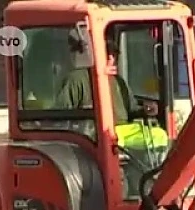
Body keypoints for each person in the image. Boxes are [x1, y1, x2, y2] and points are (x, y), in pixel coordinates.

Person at [55, 31, 169, 198]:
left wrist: (145, 110)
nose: (112, 60)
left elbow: (131, 109)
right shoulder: (77, 80)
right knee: (123, 140)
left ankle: (146, 187)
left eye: (114, 56)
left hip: (122, 130)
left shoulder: (118, 82)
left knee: (159, 135)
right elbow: (63, 113)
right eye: (108, 56)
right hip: (94, 133)